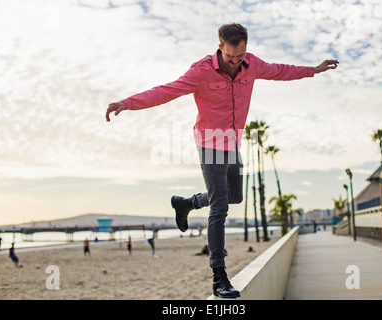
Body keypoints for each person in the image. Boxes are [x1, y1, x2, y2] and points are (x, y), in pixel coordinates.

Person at [106, 23, 338, 298]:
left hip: (232, 144)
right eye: (230, 57)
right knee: (219, 207)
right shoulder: (201, 71)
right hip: (208, 142)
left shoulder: (252, 65)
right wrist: (127, 102)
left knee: (234, 197)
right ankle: (219, 277)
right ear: (220, 49)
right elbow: (166, 91)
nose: (236, 62)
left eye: (240, 56)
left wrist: (314, 69)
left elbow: (281, 71)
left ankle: (187, 203)